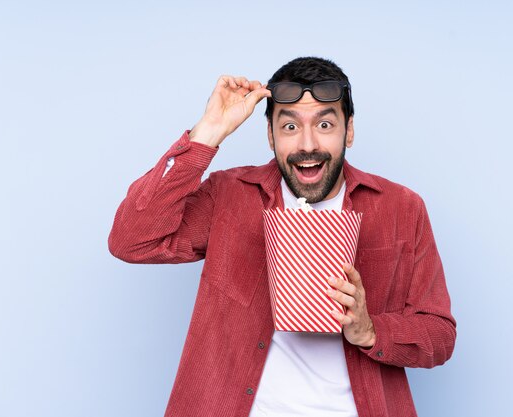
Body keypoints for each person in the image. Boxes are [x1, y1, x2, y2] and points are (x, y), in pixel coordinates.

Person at [109, 56, 456, 417]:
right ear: (271, 135)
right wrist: (207, 134)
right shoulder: (229, 195)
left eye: (324, 124)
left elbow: (440, 335)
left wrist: (371, 331)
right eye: (290, 127)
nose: (307, 144)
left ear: (349, 131)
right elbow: (132, 240)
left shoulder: (401, 208)